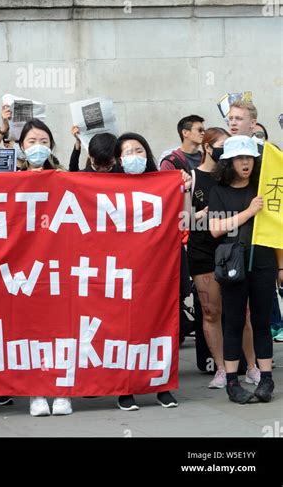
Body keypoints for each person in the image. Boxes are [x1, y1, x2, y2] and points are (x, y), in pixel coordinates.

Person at [114, 132, 190, 410]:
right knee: (124, 330)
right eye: (128, 152)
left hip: (157, 269)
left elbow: (185, 221)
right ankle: (125, 389)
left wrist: (184, 190)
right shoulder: (108, 187)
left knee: (160, 325)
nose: (134, 156)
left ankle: (162, 385)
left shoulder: (164, 185)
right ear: (119, 160)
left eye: (139, 150)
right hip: (121, 272)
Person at [186, 127, 259, 388]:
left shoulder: (239, 177)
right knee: (211, 311)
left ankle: (251, 366)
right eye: (222, 145)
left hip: (233, 249)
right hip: (203, 251)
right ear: (208, 148)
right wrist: (199, 213)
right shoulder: (191, 177)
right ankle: (220, 368)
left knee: (244, 312)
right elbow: (181, 216)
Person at [208, 135, 278, 404]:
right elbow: (215, 229)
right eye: (239, 158)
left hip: (263, 260)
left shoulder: (264, 187)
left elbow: (277, 228)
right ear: (229, 162)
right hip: (233, 262)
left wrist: (280, 265)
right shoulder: (219, 191)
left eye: (249, 157)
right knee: (234, 322)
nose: (245, 162)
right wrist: (249, 212)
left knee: (262, 322)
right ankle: (232, 382)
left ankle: (266, 379)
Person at [17, 119, 71, 416]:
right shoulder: (8, 179)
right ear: (21, 147)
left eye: (43, 141)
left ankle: (62, 390)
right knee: (32, 331)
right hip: (26, 269)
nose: (38, 147)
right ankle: (36, 392)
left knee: (62, 329)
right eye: (31, 142)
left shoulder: (64, 176)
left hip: (60, 266)